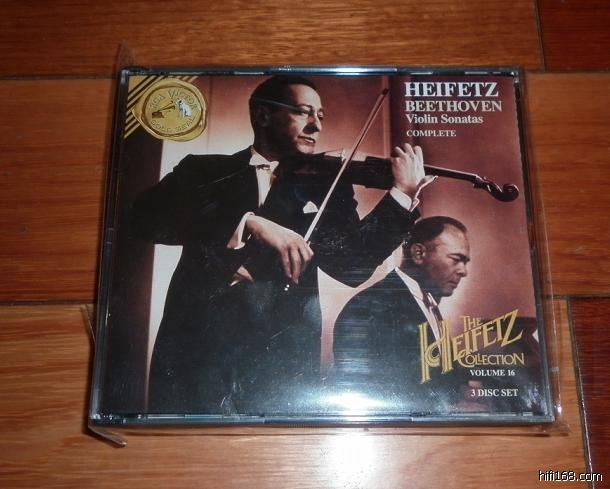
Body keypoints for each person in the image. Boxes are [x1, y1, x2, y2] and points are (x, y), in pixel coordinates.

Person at [132, 75, 430, 414]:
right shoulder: (204, 171)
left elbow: (352, 266)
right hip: (196, 354)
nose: (316, 125)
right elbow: (143, 220)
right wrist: (249, 222)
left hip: (278, 366)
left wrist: (401, 195)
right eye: (303, 112)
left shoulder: (326, 186)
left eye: (321, 116)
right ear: (263, 115)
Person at [332, 216, 471, 414]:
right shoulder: (365, 309)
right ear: (418, 254)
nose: (464, 271)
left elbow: (438, 376)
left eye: (465, 262)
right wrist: (446, 409)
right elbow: (368, 394)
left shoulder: (427, 301)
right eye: (456, 260)